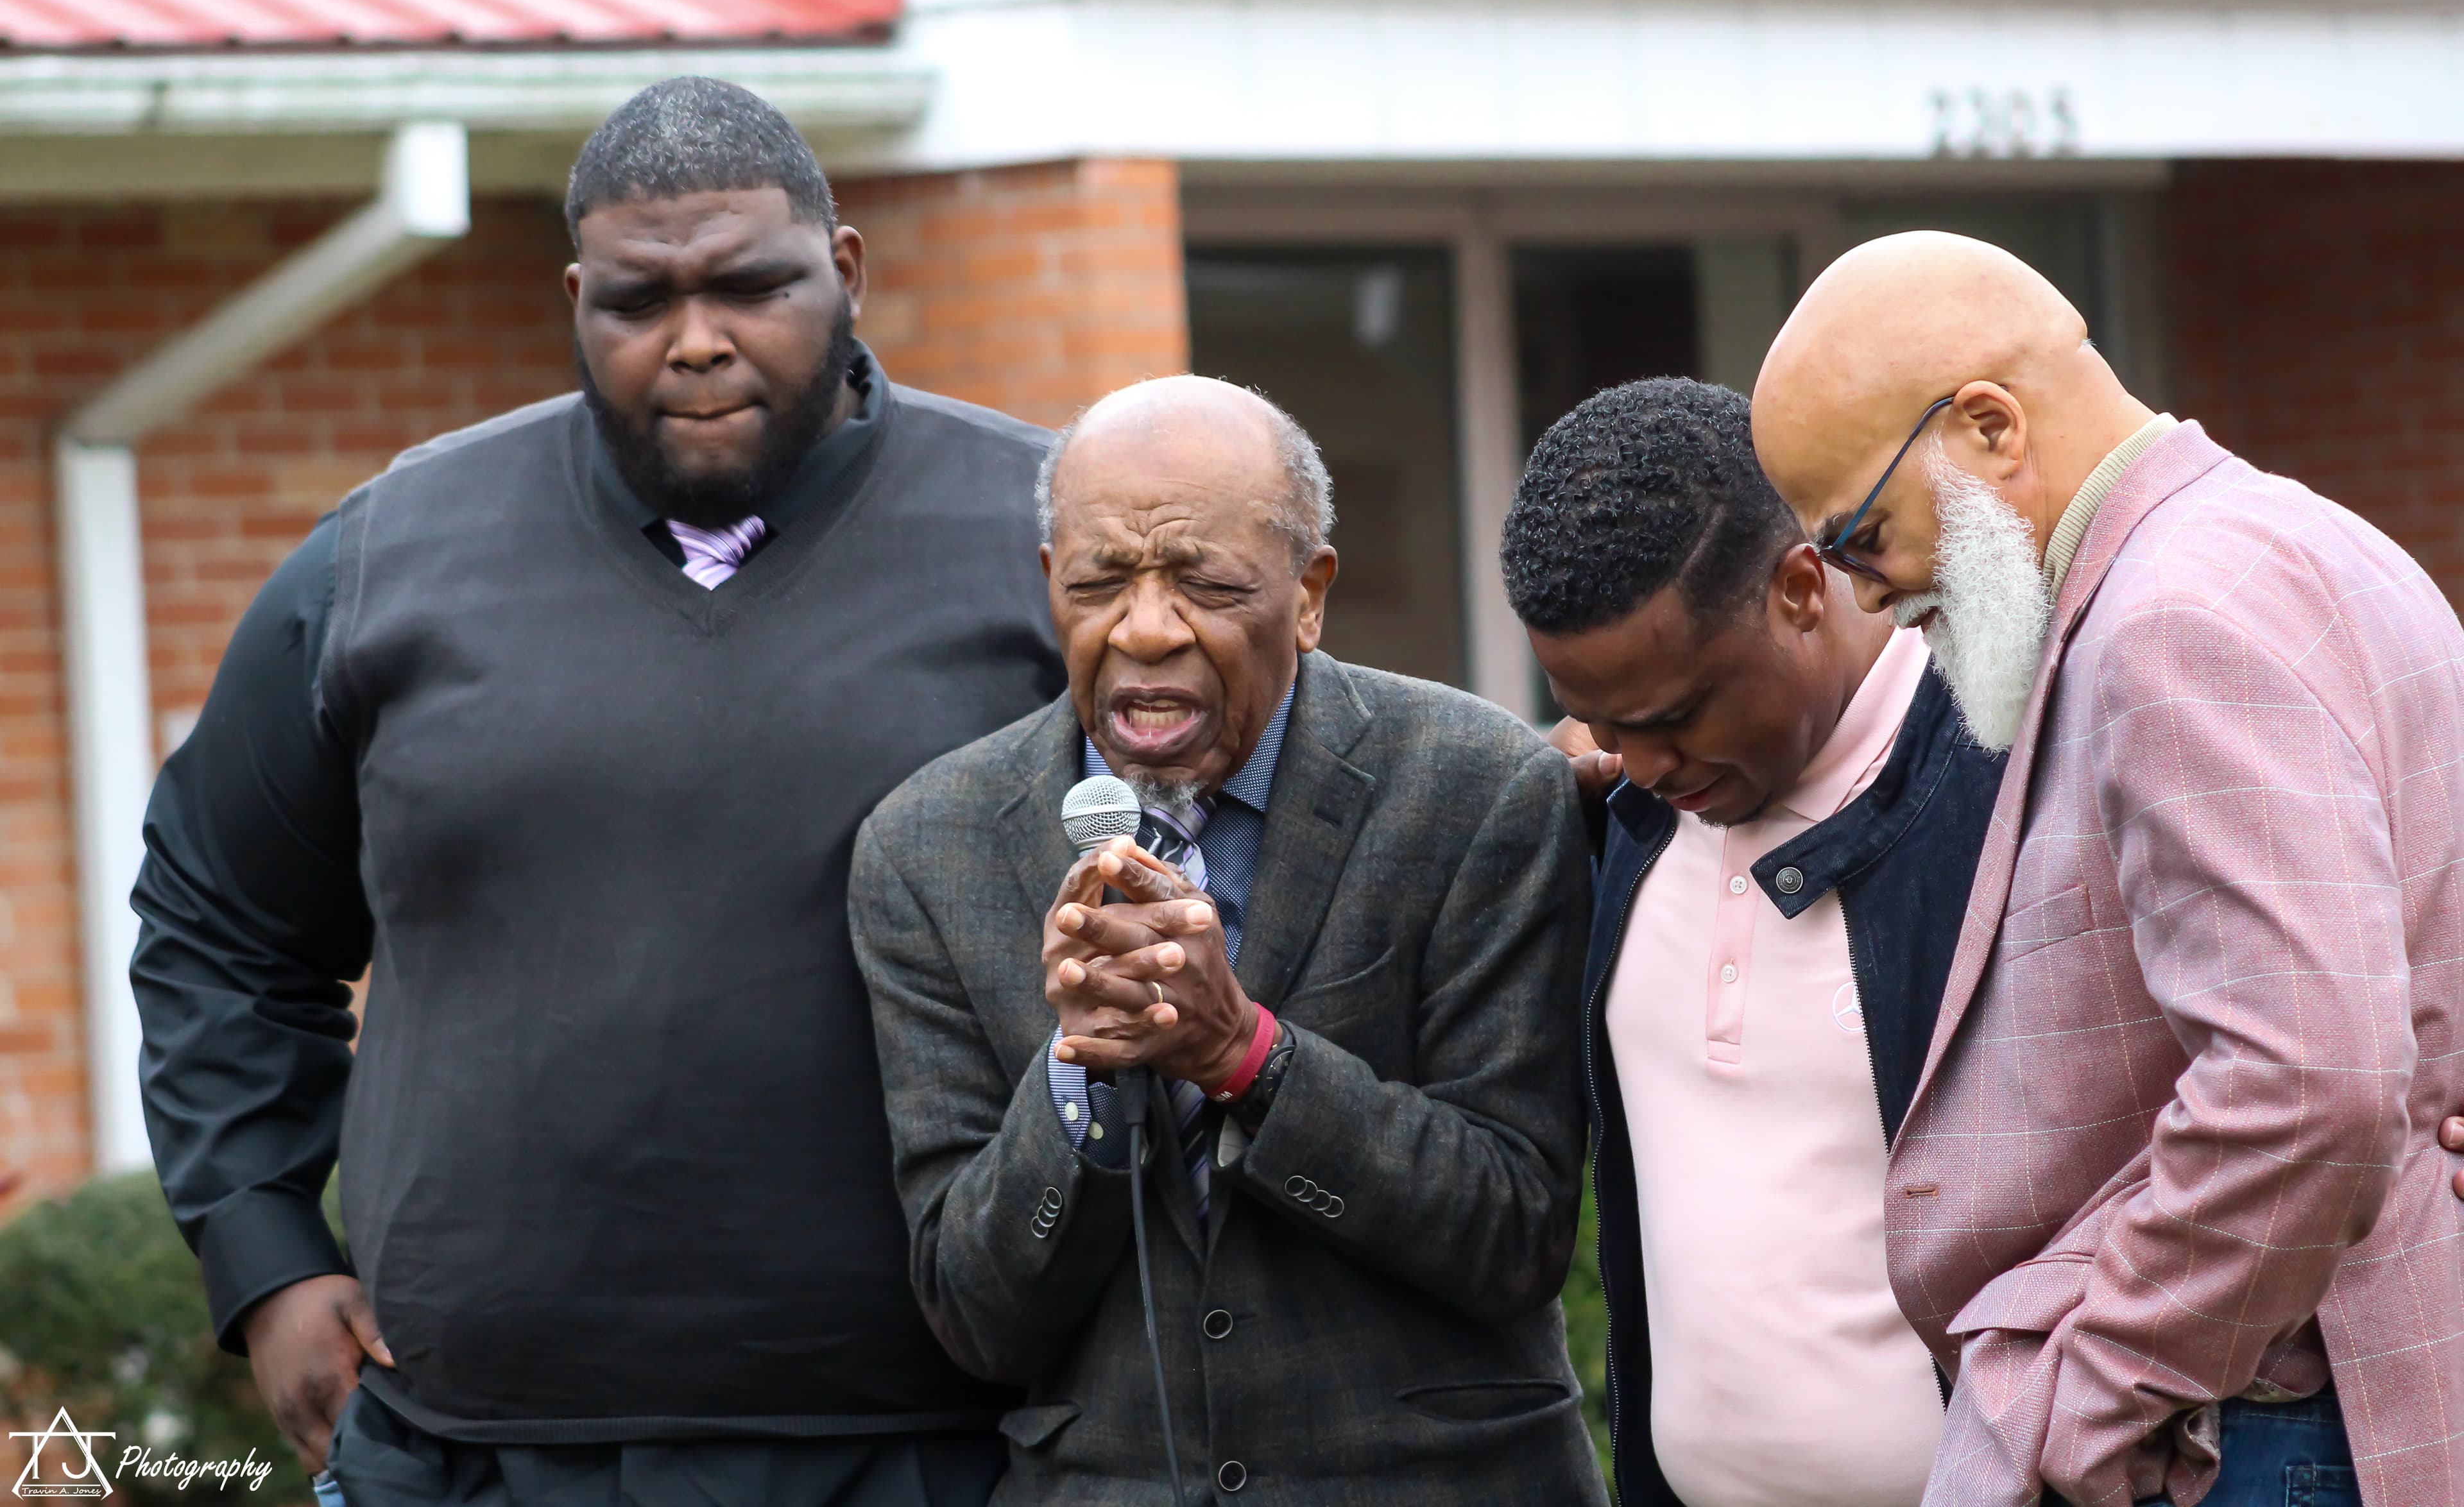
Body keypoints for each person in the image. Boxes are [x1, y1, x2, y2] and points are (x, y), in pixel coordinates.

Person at [130, 78, 1065, 1507]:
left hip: (952, 1448)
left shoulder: (1053, 546)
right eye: (640, 301)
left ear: (847, 270)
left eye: (752, 286)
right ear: (579, 301)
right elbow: (219, 918)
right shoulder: (388, 561)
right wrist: (266, 1257)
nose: (697, 341)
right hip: (469, 1454)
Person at [1751, 230, 2464, 1506]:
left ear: (1988, 427)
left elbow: (2312, 1084)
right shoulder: (2313, 543)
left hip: (2251, 1433)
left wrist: (2092, 1395)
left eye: (1859, 535)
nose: (1868, 598)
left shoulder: (2174, 615)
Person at [848, 377, 1606, 1505]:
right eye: (1100, 583)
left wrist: (1243, 1054)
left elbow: (1513, 1236)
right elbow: (977, 1314)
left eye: (1206, 584)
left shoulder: (1479, 787)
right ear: (1050, 581)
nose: (1146, 629)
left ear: (1309, 595)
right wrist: (1074, 1081)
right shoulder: (927, 846)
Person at [1500, 378, 2003, 1507]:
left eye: (1674, 716)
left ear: (1800, 589)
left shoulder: (2004, 791)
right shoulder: (1626, 813)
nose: (1641, 763)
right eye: (1603, 720)